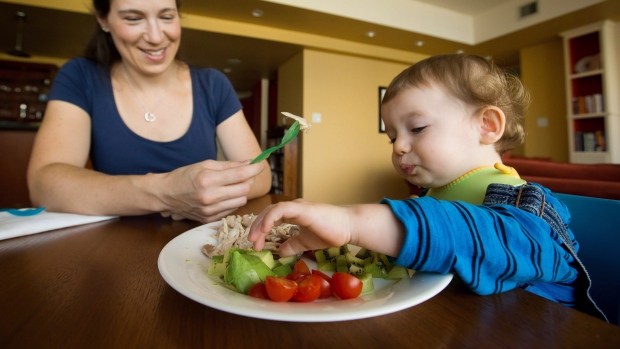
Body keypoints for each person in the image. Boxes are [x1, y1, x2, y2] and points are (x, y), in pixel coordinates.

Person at [249, 54, 606, 321]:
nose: (398, 147)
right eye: (392, 137)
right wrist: (346, 240)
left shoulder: (523, 205)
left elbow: (484, 241)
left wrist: (354, 221)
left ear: (486, 125)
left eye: (417, 129)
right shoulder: (433, 195)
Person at [27, 0, 271, 223]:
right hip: (113, 250)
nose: (156, 37)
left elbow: (260, 175)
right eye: (133, 18)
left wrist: (213, 189)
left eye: (166, 17)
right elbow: (44, 185)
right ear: (103, 20)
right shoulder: (80, 76)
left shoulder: (213, 84)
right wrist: (164, 192)